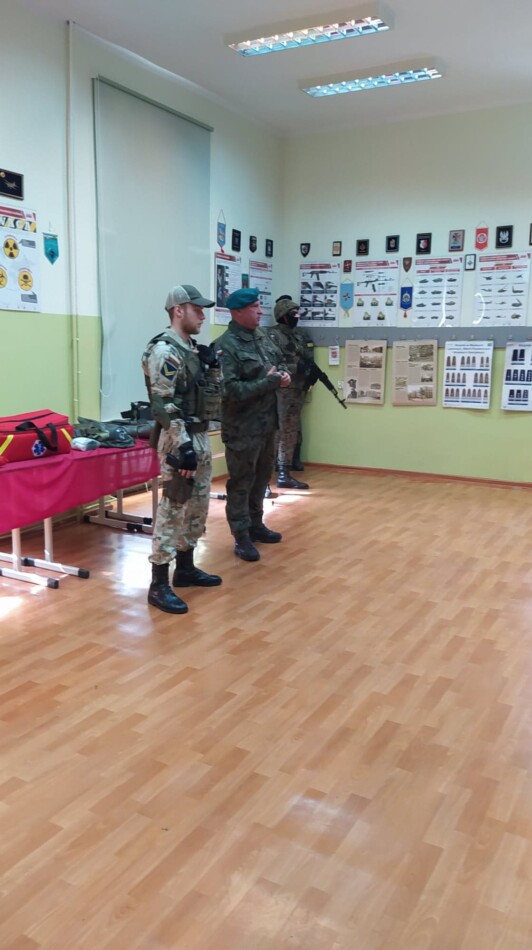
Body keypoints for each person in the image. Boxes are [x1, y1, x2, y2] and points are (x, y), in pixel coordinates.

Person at [142, 284, 222, 614]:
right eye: (197, 310)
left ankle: (185, 568)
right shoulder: (165, 351)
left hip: (199, 435)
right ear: (178, 311)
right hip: (180, 439)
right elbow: (163, 404)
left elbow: (212, 394)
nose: (203, 316)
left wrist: (212, 366)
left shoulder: (191, 349)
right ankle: (159, 584)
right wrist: (183, 446)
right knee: (174, 507)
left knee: (198, 506)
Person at [216, 287, 291, 562]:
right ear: (238, 312)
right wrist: (269, 382)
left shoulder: (262, 336)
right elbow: (231, 390)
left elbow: (280, 362)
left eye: (260, 306)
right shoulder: (225, 346)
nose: (260, 311)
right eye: (255, 307)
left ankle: (256, 524)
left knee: (261, 478)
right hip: (242, 427)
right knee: (241, 482)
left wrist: (284, 375)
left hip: (268, 423)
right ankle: (241, 535)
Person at [267, 296, 314, 489]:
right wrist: (295, 367)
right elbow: (272, 362)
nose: (296, 317)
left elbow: (309, 356)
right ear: (283, 315)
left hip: (296, 390)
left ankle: (285, 471)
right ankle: (270, 472)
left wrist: (310, 373)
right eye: (292, 314)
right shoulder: (272, 335)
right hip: (280, 390)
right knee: (277, 430)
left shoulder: (299, 335)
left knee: (291, 429)